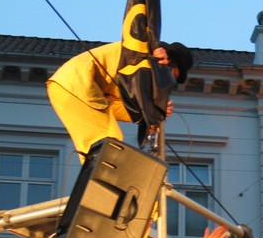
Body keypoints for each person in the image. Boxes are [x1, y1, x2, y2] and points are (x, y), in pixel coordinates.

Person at [46, 40, 194, 160]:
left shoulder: (139, 72)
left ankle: (101, 181)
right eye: (173, 75)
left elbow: (132, 108)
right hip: (77, 83)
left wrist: (155, 112)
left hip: (73, 86)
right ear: (169, 62)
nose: (170, 81)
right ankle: (104, 188)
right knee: (107, 141)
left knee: (102, 142)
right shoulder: (146, 53)